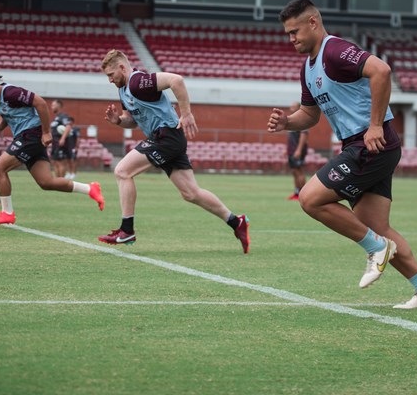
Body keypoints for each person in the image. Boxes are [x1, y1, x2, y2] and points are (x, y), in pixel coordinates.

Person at [268, 0, 417, 309]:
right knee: (376, 225)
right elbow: (310, 116)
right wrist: (286, 123)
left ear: (313, 23)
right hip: (360, 145)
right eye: (287, 34)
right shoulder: (307, 68)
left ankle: (376, 249)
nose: (290, 39)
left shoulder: (334, 51)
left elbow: (381, 71)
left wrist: (375, 125)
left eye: (294, 31)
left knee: (310, 199)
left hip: (372, 143)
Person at [97, 49, 250, 253]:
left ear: (122, 68)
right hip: (166, 138)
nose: (109, 80)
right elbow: (132, 120)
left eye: (111, 75)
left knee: (122, 171)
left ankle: (127, 230)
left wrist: (186, 114)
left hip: (166, 136)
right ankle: (236, 222)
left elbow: (176, 80)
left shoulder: (138, 81)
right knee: (191, 193)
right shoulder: (123, 90)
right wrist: (118, 121)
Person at [0, 71, 105, 225]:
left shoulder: (10, 92)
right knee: (46, 182)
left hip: (31, 135)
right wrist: (0, 126)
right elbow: (7, 114)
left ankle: (7, 213)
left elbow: (40, 103)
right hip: (25, 137)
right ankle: (90, 189)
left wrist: (47, 132)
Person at [285, 101, 309, 201]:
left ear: (299, 108)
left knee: (299, 171)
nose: (291, 108)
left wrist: (298, 150)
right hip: (292, 150)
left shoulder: (301, 120)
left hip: (298, 150)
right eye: (290, 106)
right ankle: (296, 193)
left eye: (293, 106)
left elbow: (304, 135)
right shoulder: (291, 120)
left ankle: (304, 195)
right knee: (294, 171)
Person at [49, 99, 74, 178]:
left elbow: (68, 126)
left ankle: (61, 181)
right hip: (55, 142)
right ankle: (57, 181)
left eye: (53, 105)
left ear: (59, 106)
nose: (51, 107)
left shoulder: (63, 116)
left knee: (60, 162)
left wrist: (62, 139)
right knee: (55, 162)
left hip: (60, 142)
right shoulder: (56, 118)